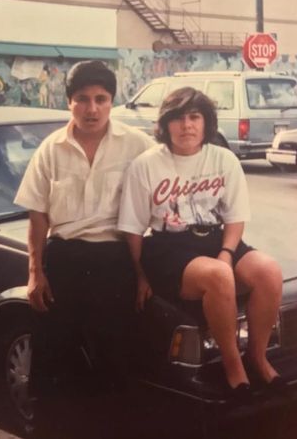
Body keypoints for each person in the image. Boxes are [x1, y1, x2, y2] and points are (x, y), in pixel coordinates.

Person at [118, 86, 283, 401]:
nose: (187, 125)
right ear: (165, 125)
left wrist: (226, 252)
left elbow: (235, 217)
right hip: (168, 246)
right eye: (178, 118)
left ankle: (257, 357)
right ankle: (234, 368)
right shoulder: (147, 164)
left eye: (194, 117)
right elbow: (133, 228)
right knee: (219, 276)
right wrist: (139, 275)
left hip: (217, 239)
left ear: (207, 123)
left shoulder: (223, 159)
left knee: (269, 271)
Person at [14, 60, 152, 437]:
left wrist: (143, 274)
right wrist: (35, 273)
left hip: (114, 261)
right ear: (69, 102)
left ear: (112, 102)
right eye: (82, 99)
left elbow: (155, 206)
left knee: (114, 361)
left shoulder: (138, 145)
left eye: (101, 99)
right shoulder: (50, 150)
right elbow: (38, 217)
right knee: (52, 361)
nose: (92, 109)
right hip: (64, 260)